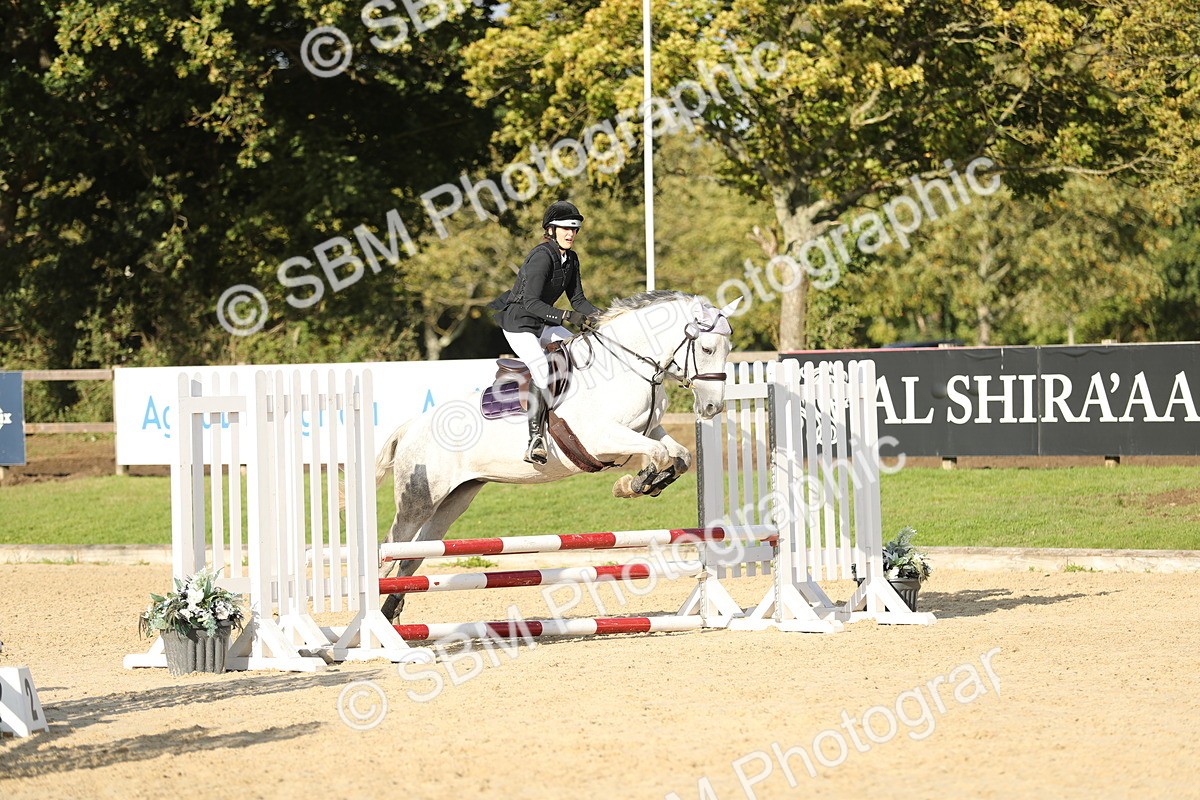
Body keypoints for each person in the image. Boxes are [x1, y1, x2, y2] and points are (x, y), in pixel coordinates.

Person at [488, 200, 601, 464]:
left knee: (582, 350)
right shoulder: (542, 256)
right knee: (542, 370)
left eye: (574, 229)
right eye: (565, 229)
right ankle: (535, 440)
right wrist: (564, 316)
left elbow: (579, 301)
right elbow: (530, 302)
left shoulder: (571, 259)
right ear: (551, 230)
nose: (571, 234)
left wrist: (604, 318)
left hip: (542, 322)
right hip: (519, 324)